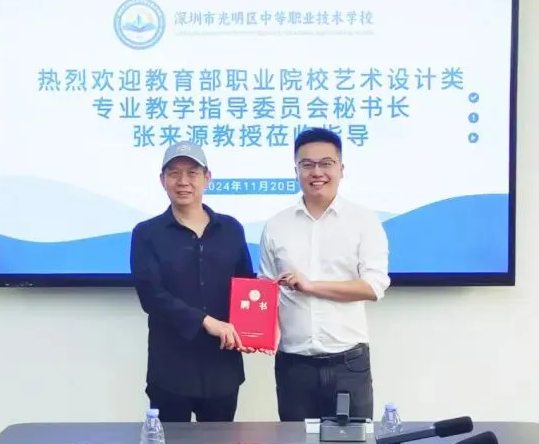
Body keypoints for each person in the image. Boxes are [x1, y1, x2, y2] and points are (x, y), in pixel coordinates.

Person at [258, 127, 390, 421]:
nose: (316, 172)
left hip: (348, 362)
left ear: (341, 169)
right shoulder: (276, 226)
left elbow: (374, 287)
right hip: (294, 364)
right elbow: (265, 291)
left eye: (326, 163)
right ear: (296, 171)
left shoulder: (364, 221)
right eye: (307, 164)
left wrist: (311, 286)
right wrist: (253, 331)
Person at [130, 141, 254, 423]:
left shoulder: (231, 229)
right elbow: (151, 296)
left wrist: (254, 329)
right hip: (171, 368)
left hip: (222, 367)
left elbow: (246, 285)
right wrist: (205, 321)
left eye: (192, 173)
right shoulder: (147, 233)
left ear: (207, 178)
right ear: (162, 180)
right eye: (174, 173)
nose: (183, 181)